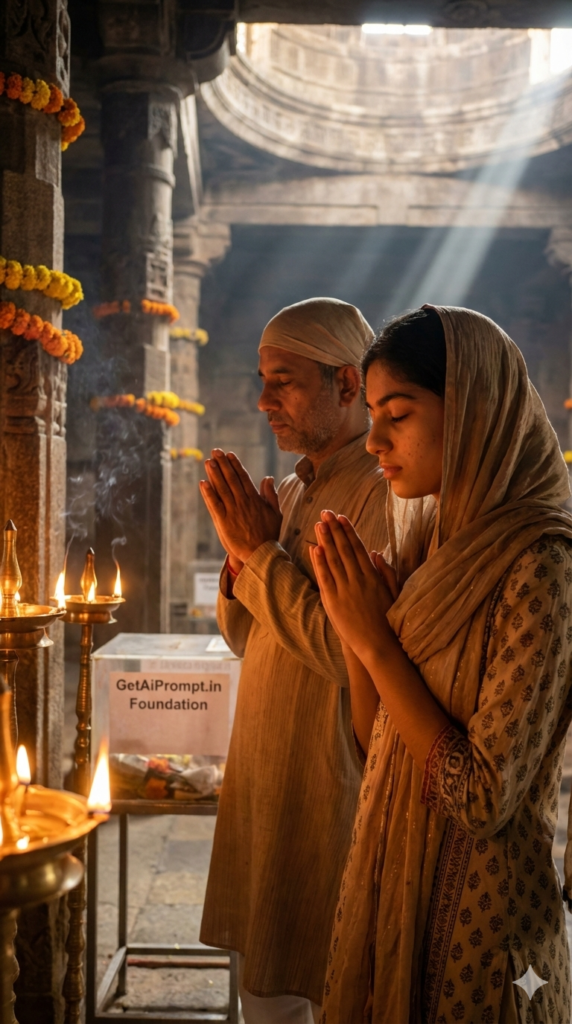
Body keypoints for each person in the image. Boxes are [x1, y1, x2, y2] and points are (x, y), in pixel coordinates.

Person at [311, 305, 572, 1024]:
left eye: (397, 413)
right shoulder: (434, 547)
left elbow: (481, 798)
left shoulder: (541, 565)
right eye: (371, 414)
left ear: (475, 412)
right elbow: (379, 745)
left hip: (484, 941)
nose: (374, 440)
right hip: (394, 895)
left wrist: (377, 643)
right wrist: (358, 632)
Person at [198, 297, 389, 1023]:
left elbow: (354, 659)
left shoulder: (378, 493)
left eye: (284, 381)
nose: (263, 400)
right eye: (261, 379)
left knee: (332, 982)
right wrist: (243, 560)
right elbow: (246, 637)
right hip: (266, 769)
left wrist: (256, 555)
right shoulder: (298, 485)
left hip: (326, 777)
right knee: (266, 988)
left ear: (347, 384)